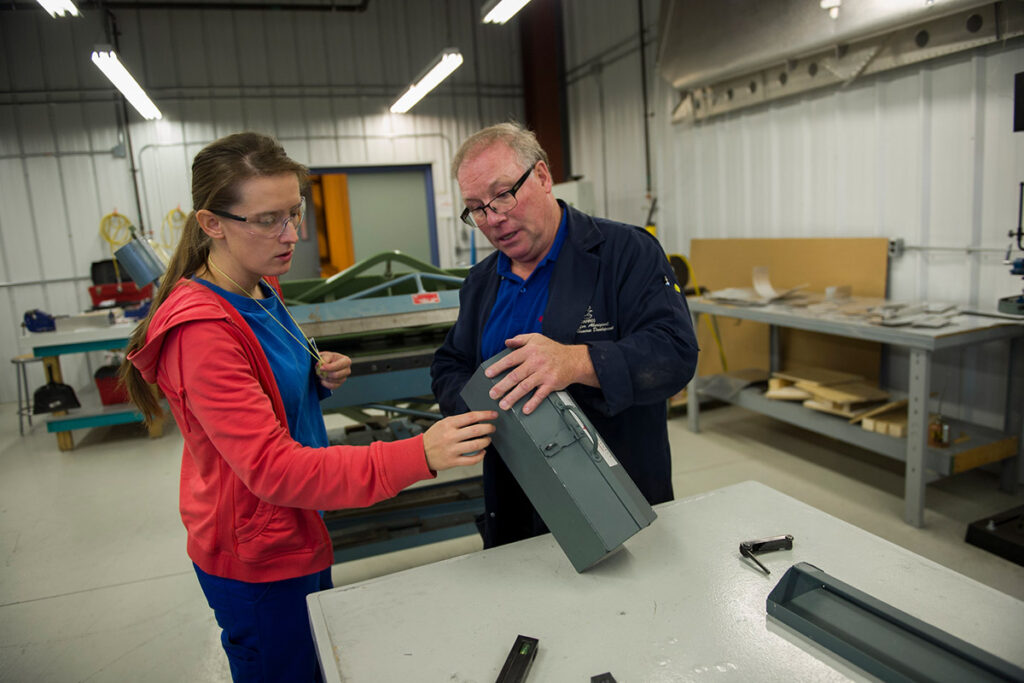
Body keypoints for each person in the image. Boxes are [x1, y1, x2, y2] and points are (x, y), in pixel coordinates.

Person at [120, 132, 496, 682]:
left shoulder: (259, 286)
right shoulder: (200, 330)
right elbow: (272, 468)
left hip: (296, 525)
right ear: (212, 224)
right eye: (268, 219)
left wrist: (313, 378)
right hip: (255, 553)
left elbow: (263, 388)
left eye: (295, 213)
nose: (291, 234)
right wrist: (420, 453)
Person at [431, 122, 699, 549]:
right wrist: (479, 408)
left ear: (541, 177)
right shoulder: (482, 282)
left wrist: (575, 362)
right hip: (516, 502)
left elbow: (674, 353)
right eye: (477, 208)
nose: (493, 219)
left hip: (617, 499)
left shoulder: (625, 253)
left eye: (503, 195)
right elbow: (450, 363)